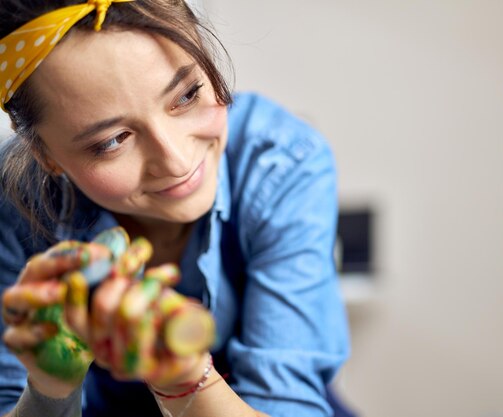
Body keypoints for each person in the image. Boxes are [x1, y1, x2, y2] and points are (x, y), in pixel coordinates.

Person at [0, 1, 350, 416]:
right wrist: (48, 392)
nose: (178, 162)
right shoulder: (13, 204)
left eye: (186, 95)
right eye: (113, 140)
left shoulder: (280, 162)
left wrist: (185, 380)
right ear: (44, 155)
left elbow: (289, 405)